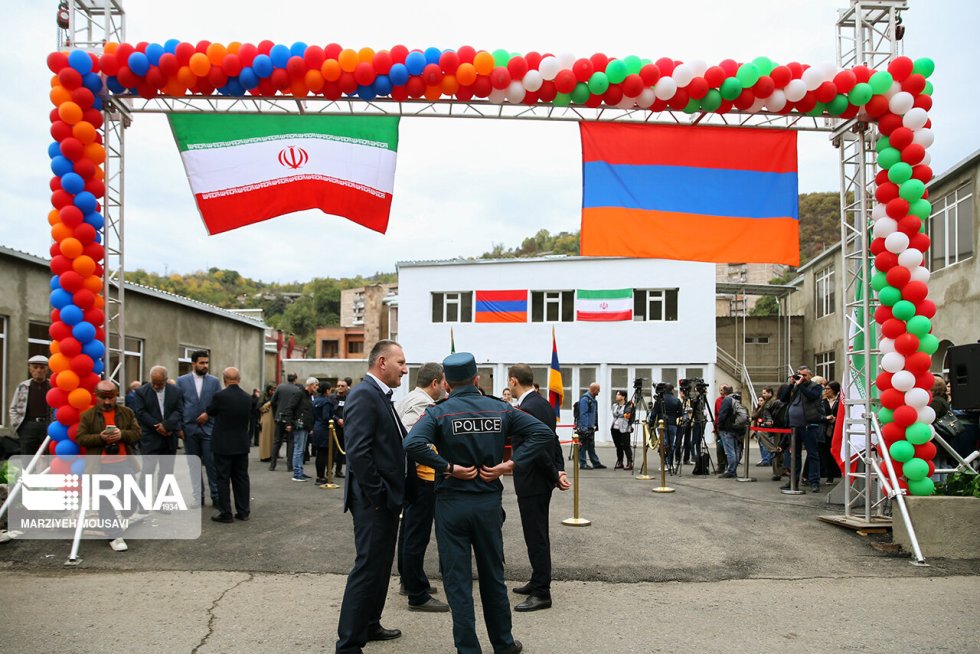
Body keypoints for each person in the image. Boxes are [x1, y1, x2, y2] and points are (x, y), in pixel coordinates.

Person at [405, 352, 555, 654]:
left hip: (451, 505)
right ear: (476, 379)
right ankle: (503, 643)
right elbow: (543, 433)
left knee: (457, 582)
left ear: (447, 384)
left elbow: (412, 443)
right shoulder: (500, 409)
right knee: (493, 577)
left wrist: (447, 467)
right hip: (487, 503)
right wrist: (510, 465)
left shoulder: (438, 413)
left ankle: (468, 649)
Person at [335, 340, 409, 654]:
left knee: (380, 565)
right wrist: (379, 496)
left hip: (385, 500)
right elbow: (359, 453)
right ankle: (349, 644)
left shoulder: (380, 394)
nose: (405, 369)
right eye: (400, 363)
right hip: (373, 501)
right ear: (382, 362)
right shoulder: (365, 395)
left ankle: (370, 624)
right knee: (367, 568)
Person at [508, 363, 569, 612]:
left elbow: (538, 449)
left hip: (533, 480)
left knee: (536, 536)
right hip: (541, 479)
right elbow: (553, 439)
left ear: (513, 381)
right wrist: (559, 470)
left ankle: (542, 592)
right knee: (536, 533)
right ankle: (537, 580)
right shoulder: (542, 403)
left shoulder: (527, 408)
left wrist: (555, 473)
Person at [394, 362, 450, 612]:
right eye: (443, 382)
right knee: (417, 534)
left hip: (412, 475)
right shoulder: (423, 404)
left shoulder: (410, 398)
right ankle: (416, 593)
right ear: (435, 383)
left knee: (409, 530)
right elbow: (412, 439)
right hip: (420, 476)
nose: (445, 387)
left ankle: (410, 580)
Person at [76, 380, 141, 552]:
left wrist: (121, 434)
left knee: (130, 502)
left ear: (116, 396)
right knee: (104, 502)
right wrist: (101, 438)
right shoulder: (88, 415)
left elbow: (137, 433)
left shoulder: (127, 413)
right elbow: (80, 438)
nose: (107, 401)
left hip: (124, 463)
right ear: (95, 396)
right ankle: (114, 535)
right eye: (103, 397)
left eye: (111, 397)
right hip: (100, 466)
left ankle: (125, 515)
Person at [206, 367, 252, 523]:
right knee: (241, 478)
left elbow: (210, 411)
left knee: (223, 478)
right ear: (239, 379)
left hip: (223, 444)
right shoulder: (247, 397)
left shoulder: (220, 396)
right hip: (241, 443)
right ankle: (243, 511)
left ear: (224, 380)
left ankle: (226, 512)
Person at [176, 351, 221, 507]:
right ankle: (198, 497)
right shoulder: (181, 381)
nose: (205, 366)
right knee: (193, 465)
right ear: (193, 364)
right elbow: (178, 405)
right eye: (202, 363)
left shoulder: (214, 382)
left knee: (211, 464)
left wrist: (208, 414)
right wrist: (179, 427)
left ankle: (216, 496)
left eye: (207, 363)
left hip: (209, 428)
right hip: (189, 429)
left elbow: (218, 403)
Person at [131, 366, 184, 493]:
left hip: (169, 438)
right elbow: (141, 412)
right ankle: (143, 499)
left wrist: (167, 425)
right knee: (148, 470)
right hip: (150, 438)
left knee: (167, 472)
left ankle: (162, 499)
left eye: (159, 384)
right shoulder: (141, 392)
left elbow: (179, 410)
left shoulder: (176, 391)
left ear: (165, 380)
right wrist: (158, 426)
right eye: (153, 383)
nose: (155, 386)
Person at [778, 366, 825, 493]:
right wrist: (791, 385)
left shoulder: (815, 387)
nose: (801, 377)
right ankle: (793, 481)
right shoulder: (795, 387)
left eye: (804, 375)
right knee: (795, 455)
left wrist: (800, 385)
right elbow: (783, 399)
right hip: (793, 427)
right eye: (799, 375)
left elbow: (812, 396)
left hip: (809, 426)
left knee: (813, 454)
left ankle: (814, 481)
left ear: (810, 376)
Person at [9, 354, 52, 456]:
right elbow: (13, 408)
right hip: (28, 426)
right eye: (35, 367)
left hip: (48, 425)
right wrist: (18, 426)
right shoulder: (23, 386)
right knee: (27, 456)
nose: (39, 370)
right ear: (30, 369)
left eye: (42, 367)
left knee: (49, 454)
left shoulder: (53, 386)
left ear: (47, 370)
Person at [269, 373, 303, 471]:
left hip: (279, 417)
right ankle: (289, 465)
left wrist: (276, 413)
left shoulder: (280, 387)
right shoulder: (297, 390)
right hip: (291, 418)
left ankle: (272, 465)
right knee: (291, 441)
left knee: (277, 441)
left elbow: (272, 401)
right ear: (295, 379)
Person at [290, 378, 317, 482]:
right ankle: (297, 473)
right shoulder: (300, 394)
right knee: (299, 449)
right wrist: (289, 422)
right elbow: (291, 407)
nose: (316, 387)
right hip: (300, 424)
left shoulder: (308, 395)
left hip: (304, 425)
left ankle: (299, 471)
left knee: (301, 450)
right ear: (310, 385)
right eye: (315, 385)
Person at [575, 382, 605, 469]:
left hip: (590, 427)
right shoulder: (585, 399)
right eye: (598, 390)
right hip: (585, 427)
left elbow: (594, 414)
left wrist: (595, 425)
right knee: (583, 446)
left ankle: (596, 463)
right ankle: (583, 463)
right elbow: (583, 414)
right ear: (594, 390)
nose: (599, 392)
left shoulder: (593, 400)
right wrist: (584, 428)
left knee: (591, 446)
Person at [312, 382, 336, 486]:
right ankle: (321, 477)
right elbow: (326, 416)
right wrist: (332, 422)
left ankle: (319, 476)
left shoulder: (316, 400)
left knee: (319, 454)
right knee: (324, 454)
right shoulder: (326, 402)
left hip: (317, 427)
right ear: (327, 390)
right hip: (325, 429)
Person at [715, 385, 739, 478]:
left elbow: (722, 415)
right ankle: (734, 469)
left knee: (729, 451)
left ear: (724, 392)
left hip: (726, 428)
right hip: (735, 427)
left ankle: (731, 471)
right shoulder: (736, 399)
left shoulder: (726, 400)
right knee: (735, 450)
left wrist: (719, 426)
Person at [819, 381, 840, 485]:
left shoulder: (840, 401)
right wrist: (826, 418)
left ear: (834, 390)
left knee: (836, 451)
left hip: (837, 429)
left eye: (828, 389)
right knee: (826, 453)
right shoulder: (822, 402)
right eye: (825, 389)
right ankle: (829, 475)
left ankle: (837, 472)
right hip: (825, 430)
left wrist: (836, 419)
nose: (826, 391)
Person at [610, 390, 634, 470]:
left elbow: (627, 415)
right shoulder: (614, 405)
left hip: (624, 427)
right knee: (618, 446)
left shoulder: (628, 405)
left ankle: (629, 462)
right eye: (616, 394)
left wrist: (623, 415)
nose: (617, 396)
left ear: (623, 396)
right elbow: (615, 414)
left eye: (619, 395)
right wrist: (621, 415)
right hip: (614, 427)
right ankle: (620, 461)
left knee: (626, 445)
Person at [332, 378, 350, 478]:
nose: (340, 388)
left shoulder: (349, 398)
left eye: (342, 386)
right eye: (338, 386)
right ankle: (329, 471)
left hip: (345, 427)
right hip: (334, 427)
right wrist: (337, 419)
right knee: (332, 450)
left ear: (346, 387)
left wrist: (345, 420)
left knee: (342, 450)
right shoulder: (332, 398)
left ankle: (338, 471)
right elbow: (330, 412)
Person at [752, 388, 775, 467]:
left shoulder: (769, 404)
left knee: (765, 444)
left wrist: (767, 423)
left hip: (766, 427)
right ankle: (765, 458)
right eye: (759, 400)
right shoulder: (760, 408)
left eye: (761, 400)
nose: (760, 402)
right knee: (761, 444)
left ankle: (766, 459)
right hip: (760, 427)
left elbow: (769, 416)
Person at [257, 383, 275, 461]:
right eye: (271, 390)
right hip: (265, 418)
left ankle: (270, 454)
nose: (273, 392)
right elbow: (259, 408)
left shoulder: (272, 397)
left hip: (271, 419)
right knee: (265, 438)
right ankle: (264, 455)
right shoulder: (263, 397)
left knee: (270, 437)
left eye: (274, 390)